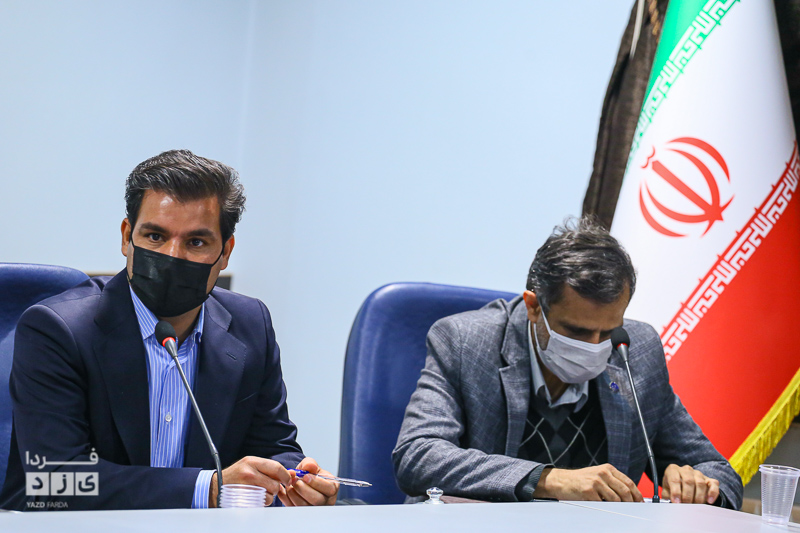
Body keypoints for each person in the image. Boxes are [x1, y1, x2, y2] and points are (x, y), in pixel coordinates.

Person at [0, 150, 338, 510]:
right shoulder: (58, 329)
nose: (172, 256)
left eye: (196, 242)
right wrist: (206, 488)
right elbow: (54, 481)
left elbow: (273, 446)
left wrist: (296, 480)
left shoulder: (249, 324)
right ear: (127, 237)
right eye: (155, 236)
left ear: (225, 252)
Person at [392, 217, 743, 508]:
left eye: (607, 331)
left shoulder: (635, 351)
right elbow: (418, 456)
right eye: (576, 331)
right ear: (533, 307)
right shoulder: (465, 342)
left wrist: (699, 487)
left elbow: (720, 473)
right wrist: (551, 480)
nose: (594, 346)